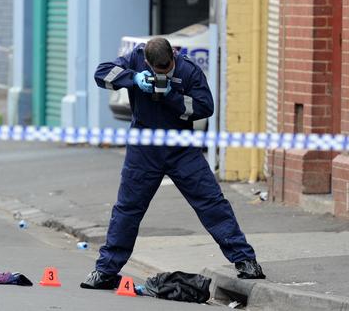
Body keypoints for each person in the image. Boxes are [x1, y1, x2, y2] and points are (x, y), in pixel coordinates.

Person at [80, 37, 265, 290]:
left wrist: (172, 96)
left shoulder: (189, 70)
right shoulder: (135, 59)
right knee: (128, 209)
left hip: (181, 148)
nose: (162, 74)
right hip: (144, 148)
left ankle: (245, 259)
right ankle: (106, 271)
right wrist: (133, 79)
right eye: (157, 71)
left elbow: (204, 107)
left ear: (173, 57)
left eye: (167, 69)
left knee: (211, 202)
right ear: (146, 61)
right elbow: (101, 74)